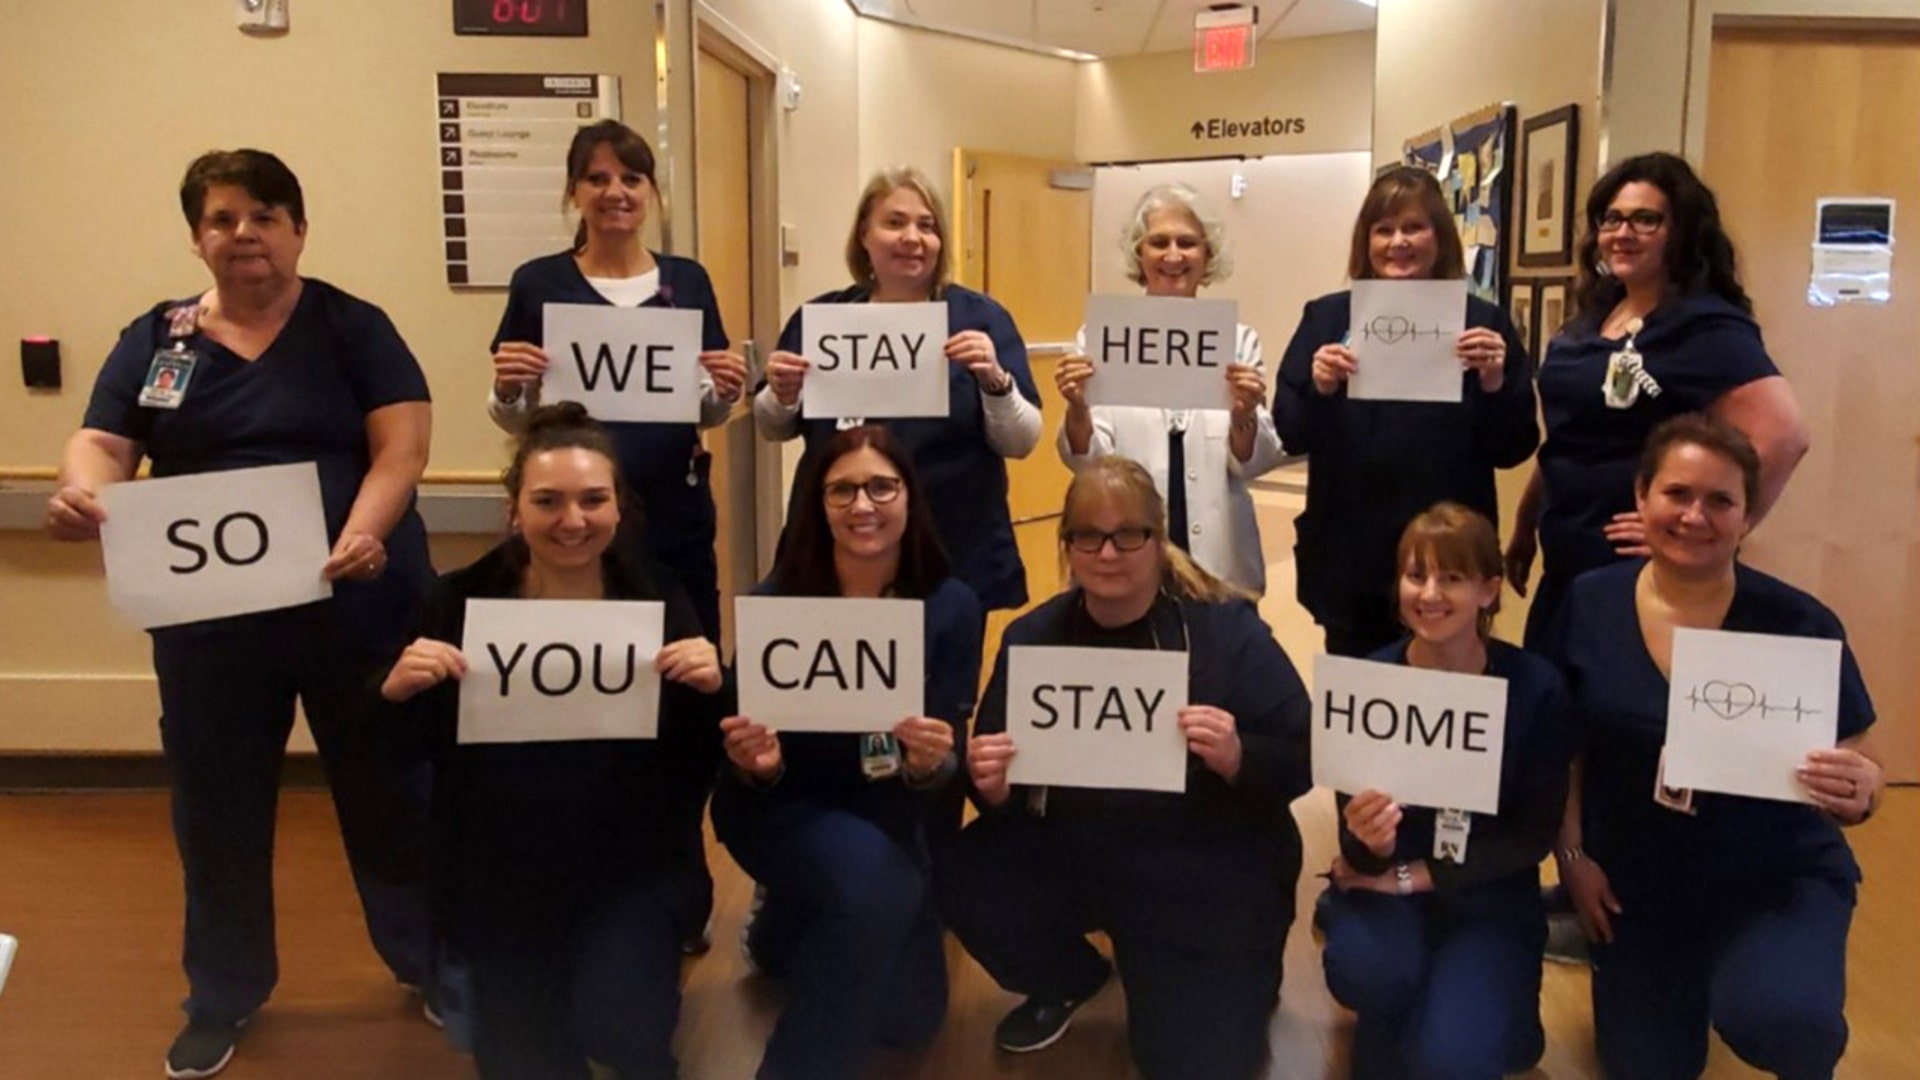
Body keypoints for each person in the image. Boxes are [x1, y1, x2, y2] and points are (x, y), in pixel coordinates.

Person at [44, 149, 435, 1078]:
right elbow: (102, 441)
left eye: (263, 216)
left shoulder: (351, 326)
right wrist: (81, 493)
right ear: (196, 237)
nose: (243, 234)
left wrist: (364, 531)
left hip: (357, 600)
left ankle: (431, 964)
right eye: (221, 219)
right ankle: (221, 995)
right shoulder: (160, 339)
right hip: (210, 621)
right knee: (216, 810)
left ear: (298, 230)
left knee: (393, 793)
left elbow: (403, 445)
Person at [938, 457, 1311, 1080]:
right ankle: (1070, 977)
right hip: (1085, 852)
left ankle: (1236, 969)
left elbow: (1304, 754)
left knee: (1194, 1062)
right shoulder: (1033, 640)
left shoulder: (1225, 631)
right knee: (962, 868)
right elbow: (1004, 789)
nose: (1108, 553)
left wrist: (1241, 755)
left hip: (1206, 866)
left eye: (1129, 534)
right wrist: (994, 788)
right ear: (1069, 547)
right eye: (1088, 535)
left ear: (1160, 541)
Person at [379, 403, 724, 1078]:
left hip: (631, 870)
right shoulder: (458, 602)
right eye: (548, 501)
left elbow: (699, 761)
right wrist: (393, 693)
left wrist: (714, 691)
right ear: (515, 510)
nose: (573, 521)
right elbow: (399, 753)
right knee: (523, 1059)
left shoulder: (659, 598)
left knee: (625, 1030)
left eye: (593, 500)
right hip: (499, 876)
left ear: (619, 508)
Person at [1542, 415, 1881, 1080]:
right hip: (1640, 883)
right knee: (1647, 1066)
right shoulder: (1589, 603)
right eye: (1677, 494)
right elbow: (1564, 748)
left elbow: (1853, 749)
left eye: (1720, 501)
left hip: (1771, 873)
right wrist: (1574, 857)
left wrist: (1862, 786)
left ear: (1748, 515)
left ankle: (1773, 991)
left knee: (1782, 1020)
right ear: (1641, 499)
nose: (1695, 516)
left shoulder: (1799, 621)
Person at [713, 425, 983, 1080]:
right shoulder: (775, 603)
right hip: (786, 805)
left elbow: (947, 758)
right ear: (817, 504)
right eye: (842, 491)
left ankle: (785, 927)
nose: (863, 505)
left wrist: (931, 765)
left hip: (891, 807)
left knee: (909, 1019)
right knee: (876, 888)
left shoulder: (953, 607)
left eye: (881, 486)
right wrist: (762, 767)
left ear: (909, 498)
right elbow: (734, 756)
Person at [1508, 152, 1810, 646]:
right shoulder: (1594, 316)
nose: (1623, 233)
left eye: (1646, 219)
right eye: (1612, 218)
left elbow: (1785, 436)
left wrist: (1708, 530)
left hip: (1637, 572)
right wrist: (1525, 526)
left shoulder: (1705, 327)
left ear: (1682, 231)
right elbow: (1571, 436)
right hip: (1567, 558)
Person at [1316, 503, 1572, 1079]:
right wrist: (1371, 847)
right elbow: (1353, 848)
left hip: (1489, 897)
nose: (1428, 594)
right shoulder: (1365, 684)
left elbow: (1530, 838)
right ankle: (1406, 997)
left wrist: (1406, 876)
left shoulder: (1537, 688)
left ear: (1488, 591)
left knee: (1453, 1060)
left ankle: (1478, 1016)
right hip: (1384, 895)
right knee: (1369, 973)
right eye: (1415, 575)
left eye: (1450, 578)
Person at [486, 119, 746, 640]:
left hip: (672, 508)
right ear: (574, 192)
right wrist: (508, 389)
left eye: (631, 178)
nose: (615, 192)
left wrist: (726, 391)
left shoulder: (687, 280)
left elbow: (703, 409)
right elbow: (516, 417)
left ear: (651, 191)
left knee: (683, 655)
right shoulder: (539, 282)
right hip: (571, 516)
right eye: (597, 179)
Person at [1274, 165, 1539, 658]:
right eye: (1384, 229)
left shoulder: (1483, 323)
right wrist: (1321, 386)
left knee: (1451, 688)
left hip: (1452, 555)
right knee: (1357, 695)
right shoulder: (1328, 318)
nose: (1399, 242)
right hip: (1352, 554)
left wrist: (1495, 382)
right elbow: (1289, 431)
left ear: (1439, 238)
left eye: (1414, 227)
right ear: (1366, 241)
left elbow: (1514, 447)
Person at [753, 166, 1042, 613]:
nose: (912, 237)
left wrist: (994, 379)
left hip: (952, 546)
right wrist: (781, 394)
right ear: (864, 237)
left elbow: (1021, 442)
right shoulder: (824, 318)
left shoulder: (979, 318)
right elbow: (773, 427)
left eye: (926, 226)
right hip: (840, 546)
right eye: (895, 223)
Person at [1055, 183, 1283, 594]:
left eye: (1188, 243)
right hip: (1124, 549)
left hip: (1220, 561)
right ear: (1138, 255)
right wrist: (1076, 409)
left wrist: (1245, 414)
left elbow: (1252, 464)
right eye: (1159, 242)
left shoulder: (1238, 340)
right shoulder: (1100, 339)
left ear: (1207, 255)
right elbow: (1088, 463)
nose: (1173, 255)